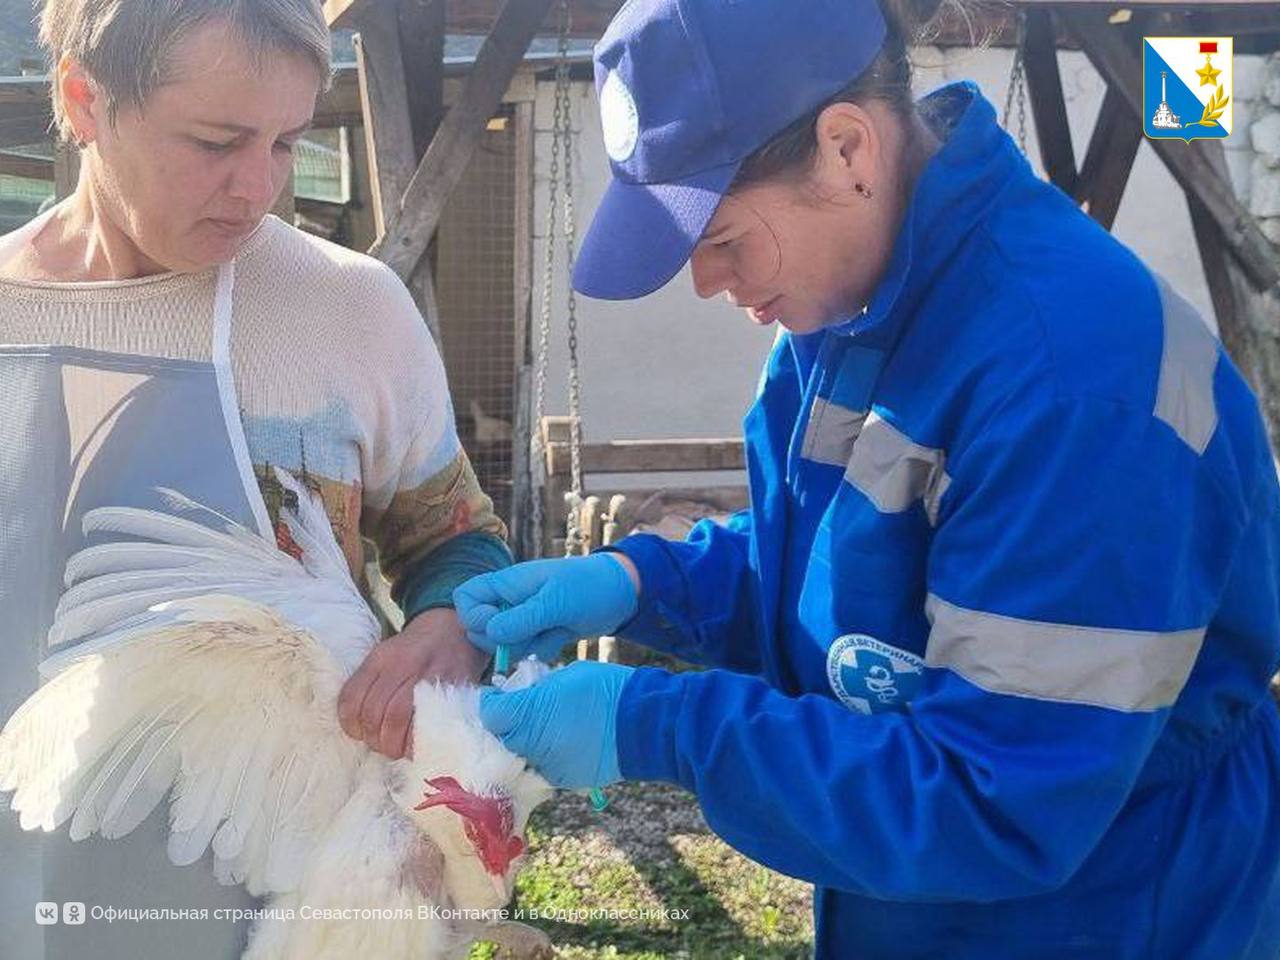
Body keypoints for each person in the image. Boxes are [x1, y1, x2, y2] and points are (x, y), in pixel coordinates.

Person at [453, 0, 1280, 957]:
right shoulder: (852, 312)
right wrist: (641, 584)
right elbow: (842, 580)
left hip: (1107, 910)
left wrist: (657, 724)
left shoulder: (1076, 388)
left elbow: (992, 800)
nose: (707, 283)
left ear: (847, 148)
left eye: (720, 239)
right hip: (927, 900)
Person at [0, 1, 508, 956]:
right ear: (83, 100)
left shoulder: (352, 310)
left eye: (286, 143)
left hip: (275, 900)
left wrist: (450, 626)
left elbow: (456, 538)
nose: (257, 188)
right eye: (218, 141)